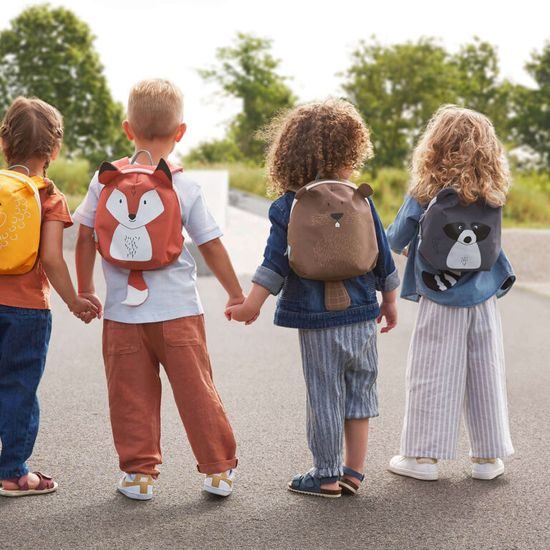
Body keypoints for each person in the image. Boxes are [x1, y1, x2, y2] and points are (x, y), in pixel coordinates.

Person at [74, 79, 242, 500]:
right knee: (196, 390)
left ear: (127, 129)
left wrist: (85, 287)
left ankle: (139, 474)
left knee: (130, 395)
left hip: (122, 317)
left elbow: (83, 237)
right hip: (179, 311)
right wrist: (236, 294)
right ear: (180, 132)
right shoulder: (182, 185)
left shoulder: (103, 180)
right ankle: (219, 469)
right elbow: (211, 245)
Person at [227, 99, 399, 498]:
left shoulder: (290, 204)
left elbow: (275, 263)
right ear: (352, 149)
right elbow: (383, 255)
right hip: (362, 316)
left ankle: (325, 475)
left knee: (325, 396)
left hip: (317, 321)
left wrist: (251, 304)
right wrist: (389, 302)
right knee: (360, 391)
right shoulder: (361, 198)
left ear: (288, 152)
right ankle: (354, 473)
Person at [387, 105, 515, 481]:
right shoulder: (492, 193)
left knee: (431, 372)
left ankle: (423, 458)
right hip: (483, 296)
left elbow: (396, 238)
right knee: (486, 372)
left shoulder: (427, 190)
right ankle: (487, 459)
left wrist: (417, 245)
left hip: (439, 297)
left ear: (435, 146)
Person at [0, 97, 97, 497]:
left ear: (4, 143)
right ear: (54, 151)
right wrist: (75, 300)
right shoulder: (48, 195)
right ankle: (13, 473)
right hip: (26, 311)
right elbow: (53, 258)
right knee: (19, 386)